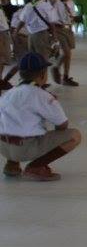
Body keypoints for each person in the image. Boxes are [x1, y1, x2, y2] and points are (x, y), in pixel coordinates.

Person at [0, 52, 82, 180]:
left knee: (17, 122)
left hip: (3, 147)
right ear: (43, 74)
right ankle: (35, 167)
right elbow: (62, 125)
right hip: (24, 149)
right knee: (74, 136)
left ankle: (11, 165)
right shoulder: (42, 96)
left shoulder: (9, 93)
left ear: (20, 73)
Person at [14, 0, 60, 83]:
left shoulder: (28, 6)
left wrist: (15, 33)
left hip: (31, 37)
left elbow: (21, 21)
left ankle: (34, 82)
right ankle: (42, 83)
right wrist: (55, 40)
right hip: (42, 36)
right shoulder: (46, 5)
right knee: (43, 61)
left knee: (34, 61)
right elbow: (52, 24)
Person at [51, 0, 80, 87]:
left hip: (68, 29)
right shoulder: (56, 1)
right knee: (67, 53)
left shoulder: (70, 3)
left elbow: (72, 16)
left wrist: (73, 21)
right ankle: (57, 68)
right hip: (58, 29)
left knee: (68, 54)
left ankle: (65, 76)